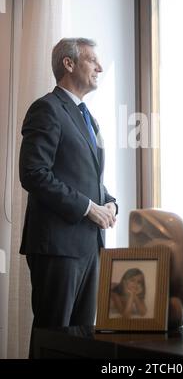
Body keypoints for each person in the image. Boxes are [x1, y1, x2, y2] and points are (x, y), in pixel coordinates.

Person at [19, 37, 118, 357]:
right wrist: (89, 208)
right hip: (57, 247)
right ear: (69, 63)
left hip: (89, 246)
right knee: (54, 339)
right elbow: (34, 174)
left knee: (81, 342)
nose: (100, 67)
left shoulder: (89, 118)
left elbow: (89, 178)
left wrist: (109, 201)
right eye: (92, 60)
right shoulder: (46, 108)